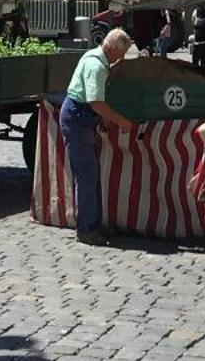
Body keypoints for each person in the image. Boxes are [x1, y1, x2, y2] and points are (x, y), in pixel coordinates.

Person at [59, 27, 134, 246]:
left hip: (83, 116)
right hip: (77, 118)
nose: (121, 59)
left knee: (91, 174)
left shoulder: (97, 58)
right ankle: (86, 229)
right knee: (86, 175)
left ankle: (93, 222)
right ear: (111, 48)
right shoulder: (97, 66)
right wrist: (120, 121)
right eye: (120, 54)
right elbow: (95, 102)